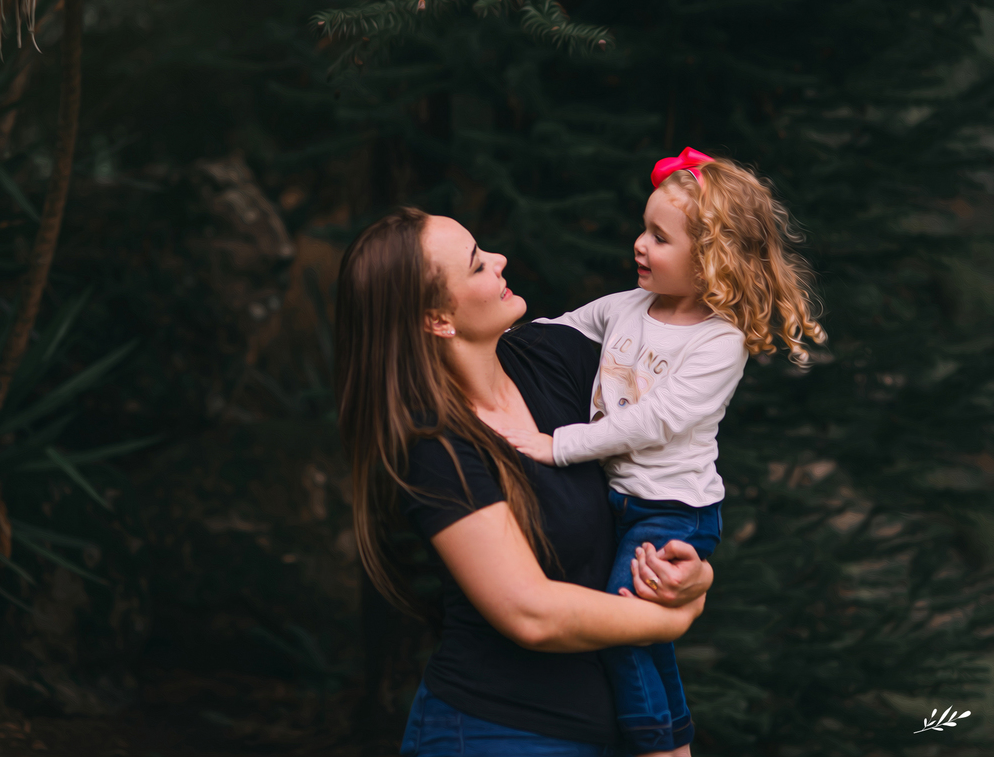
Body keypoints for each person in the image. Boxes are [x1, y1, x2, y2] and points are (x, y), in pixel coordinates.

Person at [334, 207, 713, 757]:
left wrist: (692, 569)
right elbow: (529, 612)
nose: (500, 259)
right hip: (495, 732)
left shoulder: (554, 360)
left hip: (613, 730)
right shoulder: (432, 446)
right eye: (476, 265)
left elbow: (669, 461)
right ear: (438, 318)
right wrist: (669, 617)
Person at [500, 148, 827, 755]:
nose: (639, 245)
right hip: (623, 500)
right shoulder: (628, 306)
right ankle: (679, 741)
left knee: (624, 631)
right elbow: (557, 331)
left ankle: (657, 747)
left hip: (672, 509)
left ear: (711, 260)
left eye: (659, 237)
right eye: (643, 229)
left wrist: (558, 446)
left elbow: (654, 421)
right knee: (646, 638)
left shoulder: (718, 342)